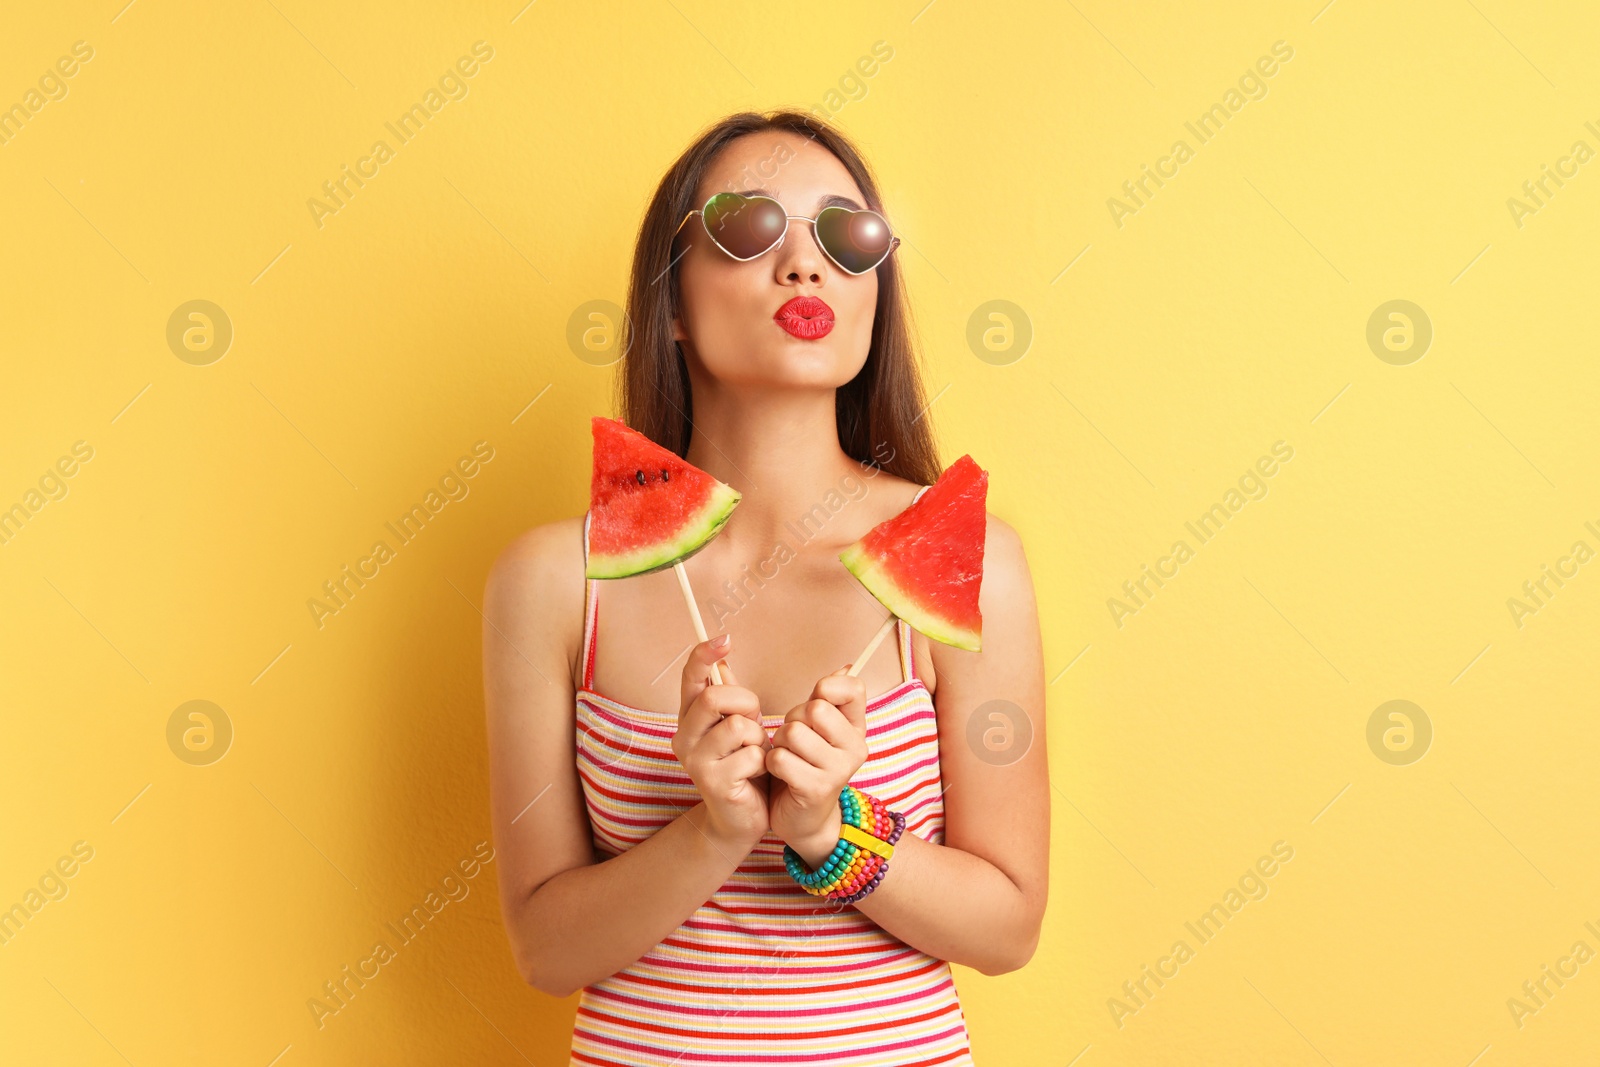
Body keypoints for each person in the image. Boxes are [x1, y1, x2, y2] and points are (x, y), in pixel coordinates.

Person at [482, 109, 1049, 1066]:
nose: (804, 265)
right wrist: (713, 831)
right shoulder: (551, 583)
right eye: (748, 229)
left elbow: (1008, 928)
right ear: (670, 301)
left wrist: (834, 834)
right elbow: (545, 949)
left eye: (846, 234)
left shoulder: (967, 556)